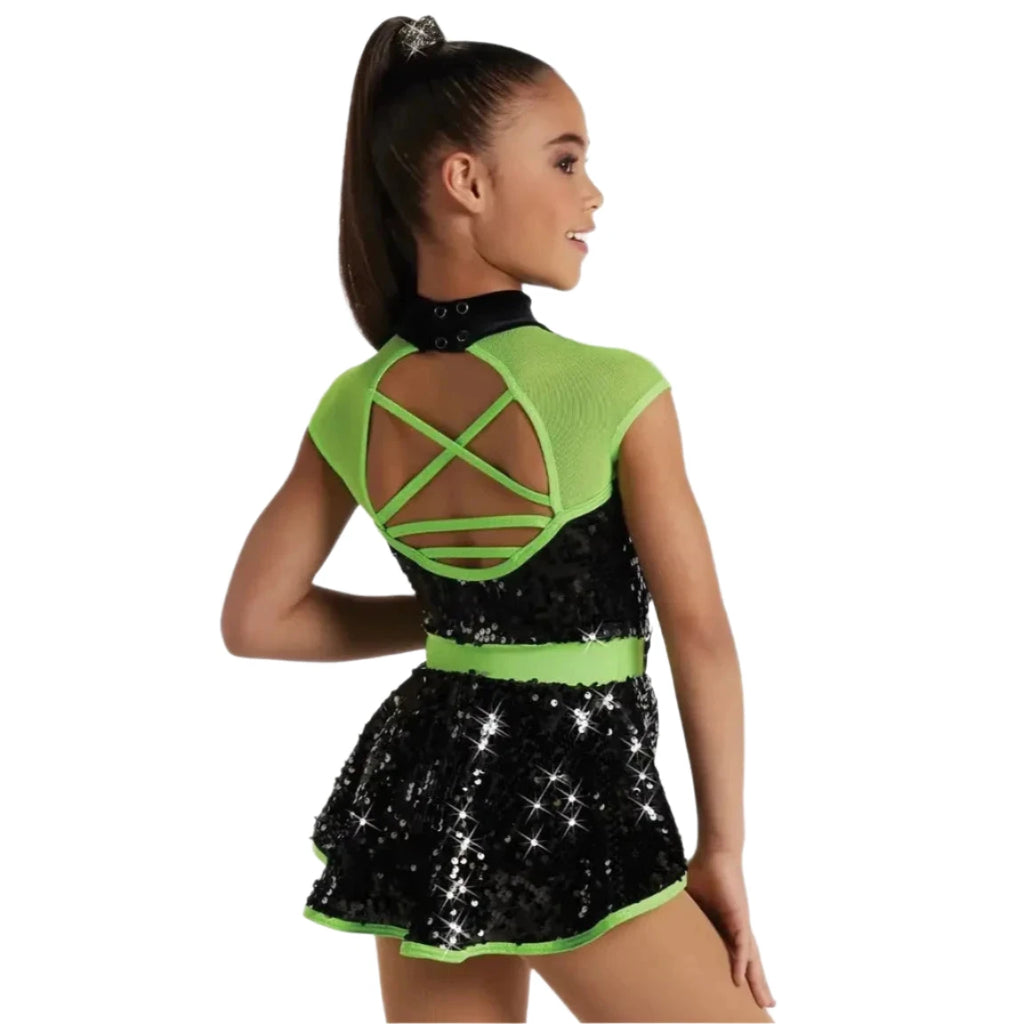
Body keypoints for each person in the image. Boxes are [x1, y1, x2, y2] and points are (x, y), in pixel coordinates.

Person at [221, 14, 776, 1023]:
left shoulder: (355, 401)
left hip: (425, 781)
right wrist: (723, 849)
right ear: (467, 182)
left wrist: (460, 623)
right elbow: (698, 632)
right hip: (575, 788)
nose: (593, 194)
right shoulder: (613, 390)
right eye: (565, 161)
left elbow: (259, 621)